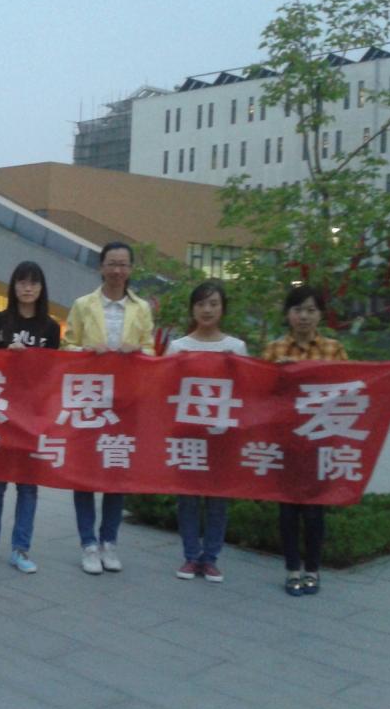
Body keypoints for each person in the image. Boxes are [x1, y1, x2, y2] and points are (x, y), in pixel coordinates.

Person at [62, 241, 154, 574]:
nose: (117, 270)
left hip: (126, 400)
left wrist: (138, 352)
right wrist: (87, 352)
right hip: (91, 399)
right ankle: (88, 543)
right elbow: (67, 346)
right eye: (112, 263)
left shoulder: (141, 308)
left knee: (117, 469)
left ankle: (109, 541)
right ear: (101, 267)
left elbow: (151, 351)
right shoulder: (83, 305)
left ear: (130, 269)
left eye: (123, 264)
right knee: (84, 472)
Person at [0, 261, 61, 574]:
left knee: (28, 486)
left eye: (33, 282)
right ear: (13, 286)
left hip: (33, 417)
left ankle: (21, 548)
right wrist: (8, 356)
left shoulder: (50, 327)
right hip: (0, 414)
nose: (27, 288)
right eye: (22, 282)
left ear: (41, 288)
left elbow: (53, 373)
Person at [262, 284, 347, 597]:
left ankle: (313, 569)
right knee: (287, 509)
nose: (304, 316)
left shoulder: (333, 350)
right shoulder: (274, 351)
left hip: (320, 442)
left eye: (311, 310)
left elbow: (350, 389)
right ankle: (292, 569)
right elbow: (260, 395)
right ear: (288, 314)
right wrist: (279, 375)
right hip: (285, 441)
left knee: (314, 510)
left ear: (320, 314)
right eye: (298, 309)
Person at [165, 280, 247, 583]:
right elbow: (166, 386)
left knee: (217, 500)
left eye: (213, 303)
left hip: (222, 435)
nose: (207, 310)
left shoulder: (236, 348)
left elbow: (246, 389)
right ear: (192, 309)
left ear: (223, 308)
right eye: (201, 304)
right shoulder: (179, 347)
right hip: (187, 433)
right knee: (187, 499)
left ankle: (210, 559)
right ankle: (191, 556)